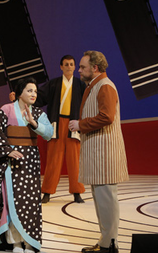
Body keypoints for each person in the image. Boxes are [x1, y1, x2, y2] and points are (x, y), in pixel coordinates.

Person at [0, 77, 53, 253]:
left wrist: (33, 123)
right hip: (11, 163)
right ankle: (15, 242)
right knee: (12, 201)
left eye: (35, 91)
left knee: (30, 203)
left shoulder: (37, 113)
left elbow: (49, 133)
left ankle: (30, 242)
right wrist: (7, 150)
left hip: (30, 163)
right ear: (19, 92)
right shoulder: (6, 109)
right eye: (29, 90)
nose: (33, 94)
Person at [69, 51, 129, 253]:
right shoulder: (95, 86)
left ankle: (111, 244)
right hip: (98, 152)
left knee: (106, 200)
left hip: (105, 152)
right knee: (101, 200)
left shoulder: (104, 86)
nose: (79, 70)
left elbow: (107, 117)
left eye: (82, 67)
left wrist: (80, 124)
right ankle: (105, 242)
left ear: (94, 68)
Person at [35, 55, 86, 204]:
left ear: (75, 67)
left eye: (71, 64)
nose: (69, 67)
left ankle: (77, 192)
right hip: (56, 125)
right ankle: (47, 192)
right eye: (66, 64)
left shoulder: (80, 85)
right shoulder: (53, 84)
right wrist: (20, 97)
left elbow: (88, 102)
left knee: (74, 160)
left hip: (73, 125)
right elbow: (38, 96)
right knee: (53, 160)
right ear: (61, 67)